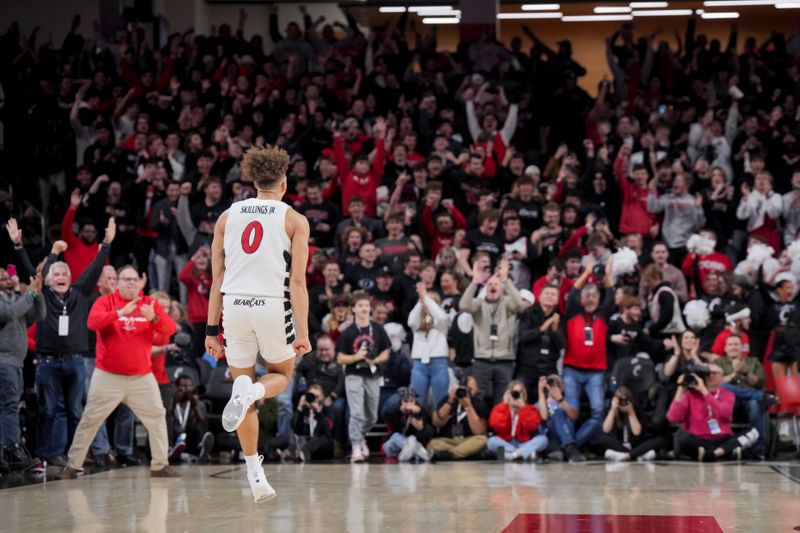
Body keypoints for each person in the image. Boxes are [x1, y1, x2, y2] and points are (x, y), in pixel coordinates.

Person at [204, 145, 311, 503]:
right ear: (284, 184)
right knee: (280, 375)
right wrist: (304, 332)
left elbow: (216, 278)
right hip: (272, 306)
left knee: (242, 381)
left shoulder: (226, 216)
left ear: (253, 182)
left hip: (233, 306)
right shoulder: (294, 219)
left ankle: (255, 473)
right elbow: (297, 283)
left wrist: (209, 331)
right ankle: (254, 391)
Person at [58, 265, 179, 478]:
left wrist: (154, 318)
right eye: (125, 279)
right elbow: (92, 322)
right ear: (117, 283)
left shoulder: (150, 304)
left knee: (157, 416)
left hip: (141, 376)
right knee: (90, 419)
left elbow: (170, 328)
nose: (130, 282)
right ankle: (73, 465)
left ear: (140, 283)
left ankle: (160, 465)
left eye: (134, 279)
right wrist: (119, 313)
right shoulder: (105, 302)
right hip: (108, 376)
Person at [35, 218, 115, 467]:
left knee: (75, 412)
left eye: (64, 273)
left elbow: (95, 268)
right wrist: (53, 253)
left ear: (71, 278)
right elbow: (35, 272)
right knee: (49, 411)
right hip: (48, 362)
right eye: (55, 274)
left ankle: (74, 455)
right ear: (49, 280)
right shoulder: (44, 296)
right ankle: (46, 454)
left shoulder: (79, 293)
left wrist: (106, 244)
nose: (60, 276)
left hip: (76, 362)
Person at [336, 291, 391, 463]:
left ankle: (360, 438)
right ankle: (355, 448)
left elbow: (386, 351)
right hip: (354, 374)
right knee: (357, 412)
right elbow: (340, 358)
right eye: (360, 305)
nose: (364, 308)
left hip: (373, 375)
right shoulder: (348, 332)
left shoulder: (378, 329)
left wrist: (376, 359)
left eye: (366, 305)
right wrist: (356, 357)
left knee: (372, 416)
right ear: (353, 309)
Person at [459, 257, 522, 406]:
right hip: (482, 359)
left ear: (501, 288)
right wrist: (474, 283)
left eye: (496, 284)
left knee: (502, 400)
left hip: (505, 360)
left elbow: (519, 303)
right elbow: (463, 304)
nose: (493, 286)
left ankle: (497, 428)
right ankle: (480, 427)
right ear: (486, 288)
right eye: (490, 284)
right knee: (478, 398)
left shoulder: (508, 304)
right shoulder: (479, 304)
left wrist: (506, 280)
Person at [0, 263, 44, 471]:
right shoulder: (6, 305)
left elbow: (39, 315)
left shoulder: (14, 302)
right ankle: (12, 450)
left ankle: (6, 452)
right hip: (3, 362)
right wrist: (30, 295)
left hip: (15, 363)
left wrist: (38, 292)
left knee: (8, 406)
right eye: (2, 279)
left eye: (7, 278)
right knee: (8, 406)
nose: (7, 281)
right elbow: (9, 313)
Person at [667, 362, 759, 461]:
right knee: (683, 437)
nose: (711, 376)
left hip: (722, 438)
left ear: (722, 377)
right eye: (708, 373)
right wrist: (681, 387)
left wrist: (704, 392)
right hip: (699, 439)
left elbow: (724, 413)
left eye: (715, 373)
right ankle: (727, 453)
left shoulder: (727, 394)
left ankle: (713, 454)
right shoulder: (690, 395)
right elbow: (672, 418)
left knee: (753, 432)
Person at [717, 334, 773, 459]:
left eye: (736, 344)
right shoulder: (718, 362)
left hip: (750, 403)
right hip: (729, 402)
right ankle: (759, 396)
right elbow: (715, 383)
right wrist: (733, 375)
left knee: (754, 404)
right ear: (725, 348)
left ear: (742, 347)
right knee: (723, 386)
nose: (733, 347)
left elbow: (760, 382)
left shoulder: (753, 362)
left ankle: (760, 447)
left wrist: (746, 372)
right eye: (730, 344)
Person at [515, 284, 564, 395]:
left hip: (549, 369)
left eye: (553, 294)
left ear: (557, 300)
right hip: (526, 367)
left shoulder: (560, 317)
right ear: (540, 297)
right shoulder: (528, 313)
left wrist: (554, 330)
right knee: (520, 399)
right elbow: (522, 337)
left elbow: (561, 344)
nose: (549, 296)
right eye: (546, 293)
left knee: (549, 405)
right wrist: (541, 329)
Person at [408, 283, 450, 408]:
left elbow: (441, 316)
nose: (428, 304)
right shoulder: (417, 323)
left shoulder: (442, 323)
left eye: (433, 302)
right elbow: (410, 321)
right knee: (418, 404)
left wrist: (426, 297)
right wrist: (421, 301)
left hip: (439, 364)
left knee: (441, 404)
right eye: (425, 301)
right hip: (419, 365)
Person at [428, 375, 489, 461]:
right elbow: (436, 422)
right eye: (463, 389)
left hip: (468, 440)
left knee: (483, 440)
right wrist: (450, 402)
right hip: (448, 440)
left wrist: (468, 407)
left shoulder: (479, 404)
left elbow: (479, 431)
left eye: (470, 389)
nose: (466, 392)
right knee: (432, 443)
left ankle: (450, 454)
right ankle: (461, 454)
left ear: (477, 389)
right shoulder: (449, 399)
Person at [594, 386, 664, 462]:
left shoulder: (637, 409)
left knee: (660, 440)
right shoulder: (613, 409)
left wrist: (631, 412)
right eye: (619, 400)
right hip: (619, 444)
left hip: (636, 444)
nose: (622, 403)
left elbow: (637, 432)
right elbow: (606, 430)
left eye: (624, 400)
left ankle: (626, 455)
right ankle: (638, 454)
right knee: (600, 439)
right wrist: (612, 410)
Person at [487, 380, 548, 461]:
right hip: (506, 443)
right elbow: (496, 426)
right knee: (491, 441)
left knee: (543, 439)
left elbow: (532, 426)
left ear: (524, 395)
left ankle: (512, 455)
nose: (517, 395)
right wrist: (504, 404)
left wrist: (523, 407)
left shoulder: (530, 409)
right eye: (514, 393)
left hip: (524, 443)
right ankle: (524, 454)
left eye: (520, 392)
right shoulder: (500, 408)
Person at [169, 374, 214, 464]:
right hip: (174, 437)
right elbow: (168, 416)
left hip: (188, 439)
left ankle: (201, 450)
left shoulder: (198, 403)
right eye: (183, 386)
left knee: (196, 427)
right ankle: (169, 450)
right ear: (177, 388)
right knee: (165, 425)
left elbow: (201, 420)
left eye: (189, 386)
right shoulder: (171, 401)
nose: (186, 389)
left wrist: (194, 405)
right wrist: (175, 401)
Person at [382, 387, 434, 463]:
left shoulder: (421, 412)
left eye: (411, 401)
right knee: (396, 437)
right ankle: (423, 453)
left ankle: (407, 453)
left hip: (414, 446)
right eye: (405, 401)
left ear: (415, 402)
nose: (408, 404)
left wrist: (421, 428)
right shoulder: (396, 409)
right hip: (395, 446)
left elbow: (430, 432)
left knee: (413, 439)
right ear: (401, 401)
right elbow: (386, 416)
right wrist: (399, 409)